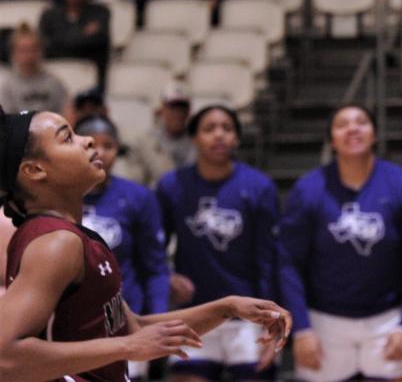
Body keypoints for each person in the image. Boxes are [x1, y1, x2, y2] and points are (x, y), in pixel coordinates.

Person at [0, 105, 291, 382]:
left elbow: (134, 328)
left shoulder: (71, 235)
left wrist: (227, 308)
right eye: (67, 138)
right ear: (35, 171)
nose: (88, 140)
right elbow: (5, 357)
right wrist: (128, 347)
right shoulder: (56, 243)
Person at [278, 103, 402, 382]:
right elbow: (289, 262)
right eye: (342, 124)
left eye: (361, 122)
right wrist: (301, 328)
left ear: (374, 134)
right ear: (332, 140)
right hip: (324, 318)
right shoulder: (308, 190)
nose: (352, 128)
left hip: (389, 317)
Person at [155, 104, 284, 381]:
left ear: (237, 138)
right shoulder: (171, 186)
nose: (219, 135)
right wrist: (167, 276)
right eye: (209, 129)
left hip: (249, 315)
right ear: (194, 138)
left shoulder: (259, 187)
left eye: (227, 129)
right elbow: (152, 247)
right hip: (194, 313)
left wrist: (270, 319)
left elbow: (269, 259)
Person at [75, 115, 170, 382]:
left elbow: (155, 267)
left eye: (110, 146)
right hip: (75, 322)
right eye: (93, 144)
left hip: (124, 317)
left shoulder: (139, 197)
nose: (101, 153)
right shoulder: (60, 195)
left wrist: (158, 318)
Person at [38, 0, 111, 86]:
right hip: (55, 78)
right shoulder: (49, 15)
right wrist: (82, 34)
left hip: (92, 79)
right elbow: (45, 46)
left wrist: (61, 38)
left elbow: (97, 41)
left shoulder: (101, 12)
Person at [122, 82, 195, 187]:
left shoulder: (198, 141)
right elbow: (135, 184)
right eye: (172, 107)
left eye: (182, 107)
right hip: (155, 200)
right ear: (162, 109)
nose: (178, 112)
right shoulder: (144, 143)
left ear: (189, 110)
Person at [0, 23, 69, 115]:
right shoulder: (8, 87)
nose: (29, 56)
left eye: (33, 49)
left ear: (41, 51)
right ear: (14, 53)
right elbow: (7, 122)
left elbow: (66, 113)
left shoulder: (54, 83)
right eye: (23, 50)